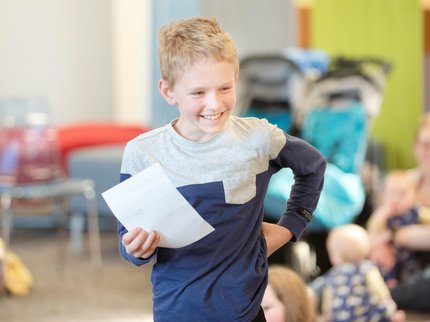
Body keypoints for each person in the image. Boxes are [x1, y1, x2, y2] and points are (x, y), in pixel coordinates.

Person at [116, 16, 326, 321]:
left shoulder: (259, 138)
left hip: (245, 309)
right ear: (168, 91)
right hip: (176, 309)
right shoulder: (142, 153)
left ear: (237, 78)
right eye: (198, 93)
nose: (214, 104)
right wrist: (135, 248)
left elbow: (313, 167)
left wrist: (291, 226)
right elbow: (128, 244)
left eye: (224, 88)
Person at [387, 113, 430, 311]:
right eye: (425, 144)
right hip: (398, 263)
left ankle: (382, 296)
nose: (428, 151)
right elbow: (379, 222)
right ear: (415, 147)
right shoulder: (405, 182)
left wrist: (397, 235)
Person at [320, 224, 404, 322]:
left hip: (342, 318)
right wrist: (391, 309)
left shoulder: (333, 274)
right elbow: (380, 291)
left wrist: (326, 315)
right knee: (382, 310)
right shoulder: (367, 268)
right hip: (367, 316)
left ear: (336, 257)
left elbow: (328, 301)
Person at [367, 170, 430, 286]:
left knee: (414, 272)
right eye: (391, 194)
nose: (396, 199)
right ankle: (390, 283)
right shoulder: (385, 215)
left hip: (411, 257)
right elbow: (373, 228)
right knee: (382, 267)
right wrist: (382, 213)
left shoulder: (416, 212)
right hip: (390, 256)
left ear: (414, 196)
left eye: (402, 194)